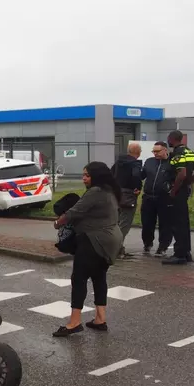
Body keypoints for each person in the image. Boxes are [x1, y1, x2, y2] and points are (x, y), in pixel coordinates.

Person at [52, 162, 122, 337]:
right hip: (111, 240)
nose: (83, 178)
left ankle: (74, 322)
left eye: (87, 175)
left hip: (94, 240)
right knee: (99, 277)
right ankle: (100, 319)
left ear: (97, 176)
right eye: (83, 175)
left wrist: (57, 223)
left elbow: (74, 212)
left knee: (79, 278)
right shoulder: (110, 191)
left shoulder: (96, 192)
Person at [163, 131, 194, 265]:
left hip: (177, 192)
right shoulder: (189, 152)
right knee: (184, 222)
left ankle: (179, 254)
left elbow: (182, 173)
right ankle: (186, 252)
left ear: (171, 139)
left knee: (177, 223)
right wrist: (189, 182)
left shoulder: (177, 153)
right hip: (184, 190)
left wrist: (174, 190)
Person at [141, 141, 173, 256]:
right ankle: (147, 243)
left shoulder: (171, 162)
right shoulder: (149, 161)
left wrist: (170, 189)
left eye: (157, 151)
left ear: (165, 150)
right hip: (148, 196)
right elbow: (142, 175)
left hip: (164, 198)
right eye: (153, 151)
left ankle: (163, 247)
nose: (155, 154)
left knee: (165, 223)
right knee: (147, 222)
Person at [111, 143, 143, 258]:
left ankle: (118, 248)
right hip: (128, 195)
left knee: (117, 222)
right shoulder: (135, 164)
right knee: (125, 223)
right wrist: (137, 188)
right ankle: (115, 249)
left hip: (116, 194)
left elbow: (111, 174)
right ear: (138, 152)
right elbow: (136, 176)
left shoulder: (119, 162)